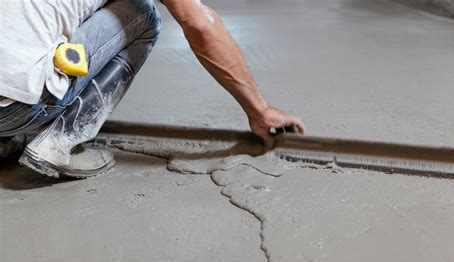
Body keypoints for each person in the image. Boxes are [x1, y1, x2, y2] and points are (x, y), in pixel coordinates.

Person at [0, 0, 305, 178]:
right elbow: (199, 24)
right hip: (14, 108)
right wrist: (259, 110)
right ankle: (60, 144)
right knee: (141, 12)